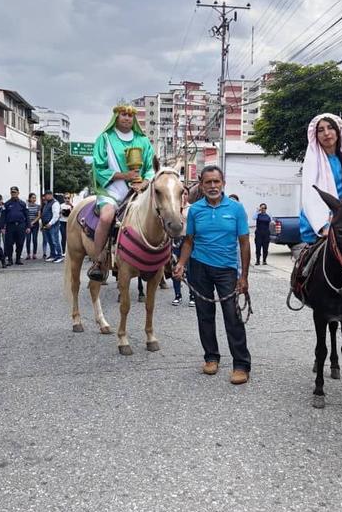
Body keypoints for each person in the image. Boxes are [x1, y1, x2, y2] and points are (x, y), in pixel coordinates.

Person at [173, 165, 252, 385]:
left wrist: (243, 276)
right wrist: (181, 263)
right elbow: (188, 241)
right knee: (204, 315)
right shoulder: (195, 210)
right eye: (208, 182)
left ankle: (241, 364)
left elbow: (244, 244)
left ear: (223, 182)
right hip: (199, 267)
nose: (213, 186)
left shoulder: (236, 209)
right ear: (201, 183)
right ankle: (211, 357)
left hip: (227, 269)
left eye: (216, 181)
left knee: (233, 316)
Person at [88, 104, 155, 281]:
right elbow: (99, 167)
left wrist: (145, 182)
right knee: (106, 217)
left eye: (129, 115)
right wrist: (124, 175)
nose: (126, 118)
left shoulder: (143, 140)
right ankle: (99, 260)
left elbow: (151, 168)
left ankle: (165, 259)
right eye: (123, 115)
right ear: (116, 117)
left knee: (159, 213)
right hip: (111, 190)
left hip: (139, 190)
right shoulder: (105, 138)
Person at [300, 114, 342, 245]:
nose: (326, 133)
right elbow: (311, 194)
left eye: (330, 128)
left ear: (338, 131)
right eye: (321, 130)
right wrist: (324, 225)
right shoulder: (313, 163)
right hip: (318, 220)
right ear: (316, 136)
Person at [2, 186, 29, 266]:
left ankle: (18, 259)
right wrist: (2, 227)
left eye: (15, 192)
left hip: (20, 226)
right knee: (9, 243)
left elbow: (27, 215)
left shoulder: (23, 203)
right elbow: (3, 216)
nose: (13, 194)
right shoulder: (7, 204)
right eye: (12, 192)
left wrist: (28, 226)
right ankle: (10, 260)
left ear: (18, 193)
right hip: (10, 226)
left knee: (20, 243)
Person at [40, 189, 63, 263]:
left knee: (55, 240)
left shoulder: (55, 203)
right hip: (46, 225)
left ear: (50, 195)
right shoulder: (47, 203)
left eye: (46, 195)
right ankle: (53, 255)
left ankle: (59, 256)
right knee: (50, 241)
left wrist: (50, 223)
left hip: (52, 225)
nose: (45, 197)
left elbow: (56, 215)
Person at [25, 192, 41, 260]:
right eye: (32, 198)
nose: (34, 199)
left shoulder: (38, 206)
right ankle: (28, 254)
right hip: (28, 225)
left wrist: (33, 222)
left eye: (35, 198)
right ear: (29, 198)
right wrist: (29, 223)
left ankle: (34, 254)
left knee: (34, 239)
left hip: (35, 224)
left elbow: (39, 215)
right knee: (28, 239)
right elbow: (25, 215)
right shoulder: (26, 206)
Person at [59, 194, 72, 259]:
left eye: (68, 198)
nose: (67, 199)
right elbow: (58, 214)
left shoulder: (72, 205)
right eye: (65, 198)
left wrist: (71, 206)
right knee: (63, 236)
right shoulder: (61, 205)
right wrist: (61, 212)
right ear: (63, 199)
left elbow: (75, 213)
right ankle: (63, 251)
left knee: (70, 237)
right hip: (62, 222)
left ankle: (70, 251)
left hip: (69, 222)